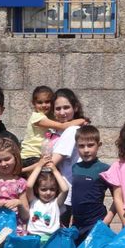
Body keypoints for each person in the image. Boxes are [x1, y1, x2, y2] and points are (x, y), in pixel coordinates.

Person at [43, 88, 88, 224]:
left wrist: (24, 170)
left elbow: (51, 162)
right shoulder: (56, 131)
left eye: (66, 107)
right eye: (58, 109)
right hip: (55, 189)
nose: (62, 112)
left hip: (66, 191)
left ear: (75, 107)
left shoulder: (72, 130)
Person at [68, 125, 114, 243]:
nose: (86, 150)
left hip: (96, 224)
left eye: (90, 145)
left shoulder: (105, 169)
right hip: (77, 226)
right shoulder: (75, 168)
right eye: (81, 146)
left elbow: (118, 199)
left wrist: (106, 221)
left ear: (99, 145)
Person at [20, 85, 84, 168]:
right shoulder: (37, 117)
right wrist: (82, 120)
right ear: (33, 103)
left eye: (47, 102)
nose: (44, 105)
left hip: (39, 158)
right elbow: (62, 126)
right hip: (30, 156)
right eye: (40, 102)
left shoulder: (71, 129)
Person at [24, 157, 70, 244]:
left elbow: (65, 189)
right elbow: (29, 185)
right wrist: (39, 166)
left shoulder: (56, 203)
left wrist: (55, 170)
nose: (48, 193)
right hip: (33, 238)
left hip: (52, 239)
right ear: (37, 189)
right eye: (44, 189)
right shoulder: (33, 201)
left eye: (52, 189)